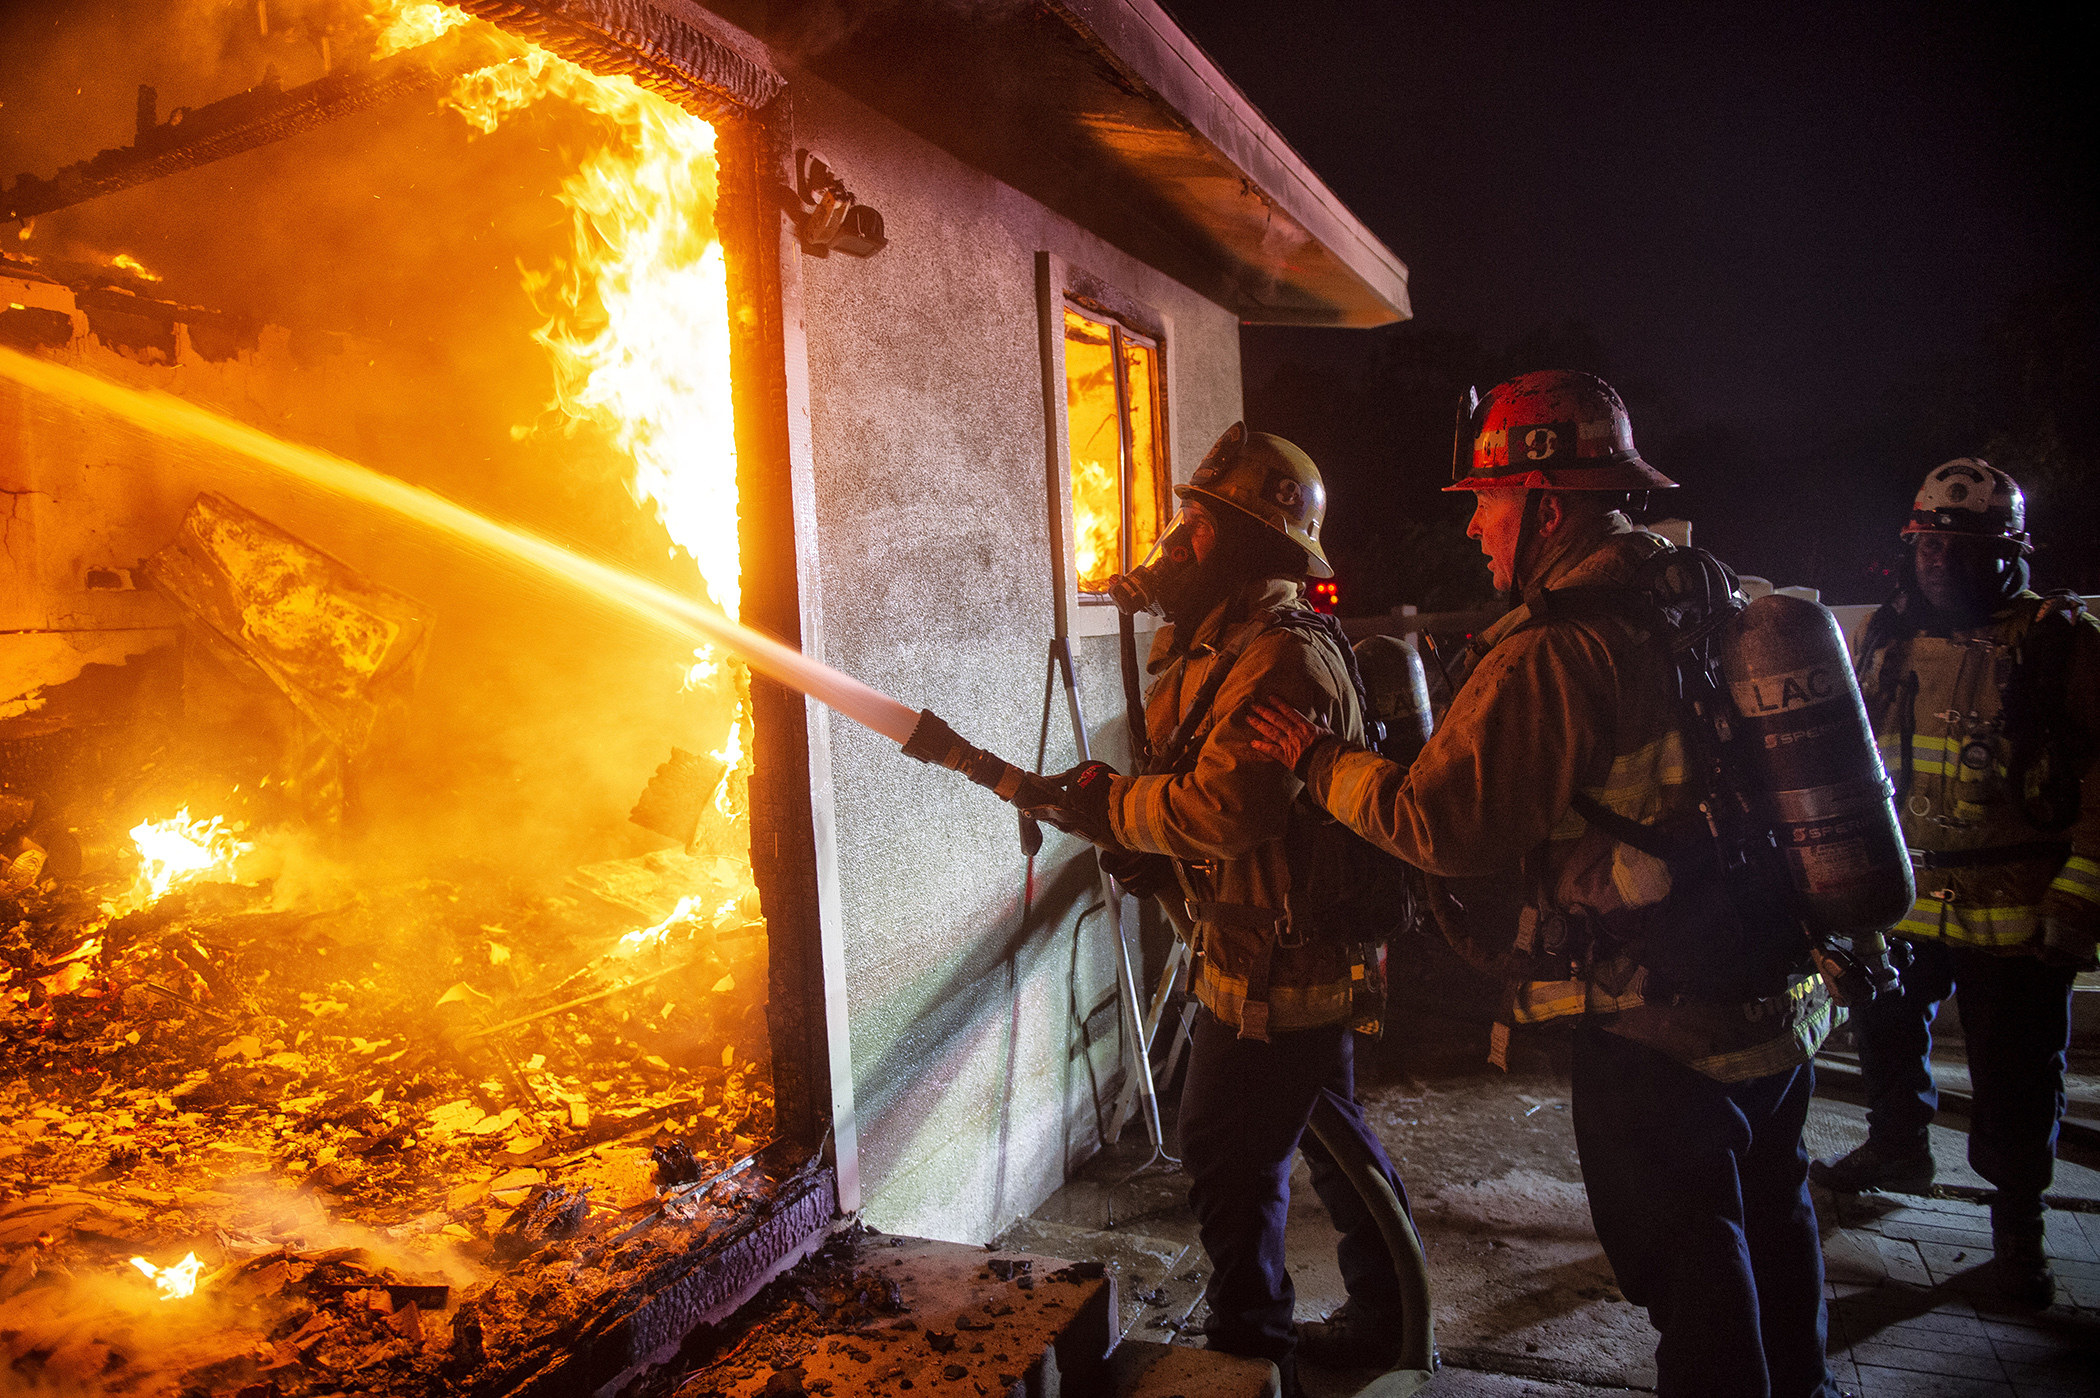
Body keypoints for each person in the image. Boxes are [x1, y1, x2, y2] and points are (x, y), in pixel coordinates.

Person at [1245, 371, 1843, 1398]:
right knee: (1774, 1215)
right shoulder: (1705, 591)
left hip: (1654, 1023)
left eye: (1486, 501)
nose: (1478, 529)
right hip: (1775, 996)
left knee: (1690, 1260)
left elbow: (1442, 824)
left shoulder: (1558, 647)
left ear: (1547, 503)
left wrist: (1313, 760)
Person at [1025, 422, 1409, 1392]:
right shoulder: (1215, 646)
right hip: (1259, 949)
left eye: (1195, 526)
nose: (1171, 542)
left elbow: (1229, 810)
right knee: (1330, 1140)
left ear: (1247, 543)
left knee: (1226, 1149)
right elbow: (1202, 796)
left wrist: (1115, 810)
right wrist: (1153, 859)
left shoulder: (1278, 655)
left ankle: (1251, 1340)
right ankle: (1382, 1317)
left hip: (1289, 965)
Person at [1809, 459, 2099, 1306]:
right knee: (1886, 1029)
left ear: (2010, 553)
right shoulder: (1888, 635)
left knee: (2015, 1073)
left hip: (2018, 908)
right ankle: (1897, 1145)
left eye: (1960, 548)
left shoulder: (2062, 645)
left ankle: (2020, 1239)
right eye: (1927, 546)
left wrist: (2077, 897)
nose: (1939, 563)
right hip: (1906, 893)